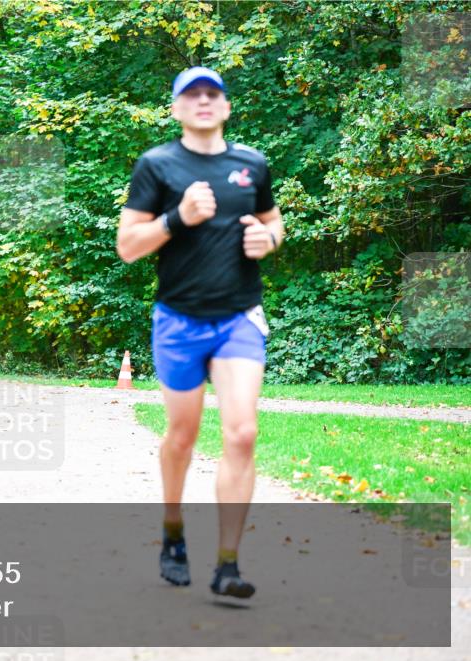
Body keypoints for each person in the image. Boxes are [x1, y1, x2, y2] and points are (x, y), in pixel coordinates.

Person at [116, 66, 284, 599]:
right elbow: (127, 246)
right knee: (182, 437)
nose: (204, 100)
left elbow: (274, 223)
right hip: (179, 320)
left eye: (214, 93)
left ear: (227, 107)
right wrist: (176, 218)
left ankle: (227, 565)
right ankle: (172, 533)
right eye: (193, 94)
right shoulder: (157, 165)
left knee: (242, 432)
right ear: (177, 108)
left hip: (238, 316)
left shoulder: (251, 164)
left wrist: (269, 240)